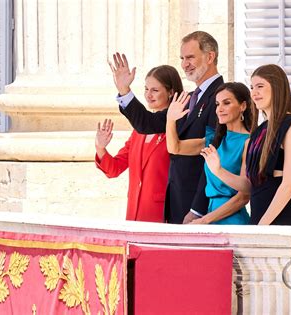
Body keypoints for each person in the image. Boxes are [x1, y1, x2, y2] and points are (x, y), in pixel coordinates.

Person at [109, 31, 248, 224]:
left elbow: (212, 156)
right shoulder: (189, 98)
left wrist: (197, 209)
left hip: (199, 207)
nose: (184, 64)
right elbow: (147, 124)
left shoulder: (220, 98)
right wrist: (124, 90)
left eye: (190, 57)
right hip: (176, 201)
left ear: (210, 57)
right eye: (182, 58)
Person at [201, 64, 291, 225]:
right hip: (258, 220)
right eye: (252, 87)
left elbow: (287, 186)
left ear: (277, 88)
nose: (254, 93)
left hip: (281, 220)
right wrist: (218, 170)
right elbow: (248, 186)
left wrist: (262, 226)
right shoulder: (258, 132)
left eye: (260, 86)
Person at [95, 65, 184, 222]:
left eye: (155, 90)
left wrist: (124, 90)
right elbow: (114, 169)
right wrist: (100, 148)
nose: (148, 95)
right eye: (146, 89)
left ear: (170, 92)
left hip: (163, 214)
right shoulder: (138, 133)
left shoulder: (177, 127)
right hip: (134, 213)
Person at [166, 82, 251, 224]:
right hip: (209, 216)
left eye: (227, 103)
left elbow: (244, 196)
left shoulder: (248, 142)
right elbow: (175, 148)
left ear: (242, 106)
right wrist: (170, 120)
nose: (220, 109)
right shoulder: (213, 140)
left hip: (232, 221)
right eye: (217, 104)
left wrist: (204, 220)